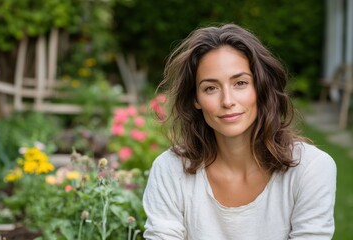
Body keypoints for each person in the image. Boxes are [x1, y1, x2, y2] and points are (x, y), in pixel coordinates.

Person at [143, 23, 337, 239]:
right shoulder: (170, 169)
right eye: (211, 88)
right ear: (196, 99)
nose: (227, 101)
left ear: (260, 87)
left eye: (240, 83)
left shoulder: (310, 169)